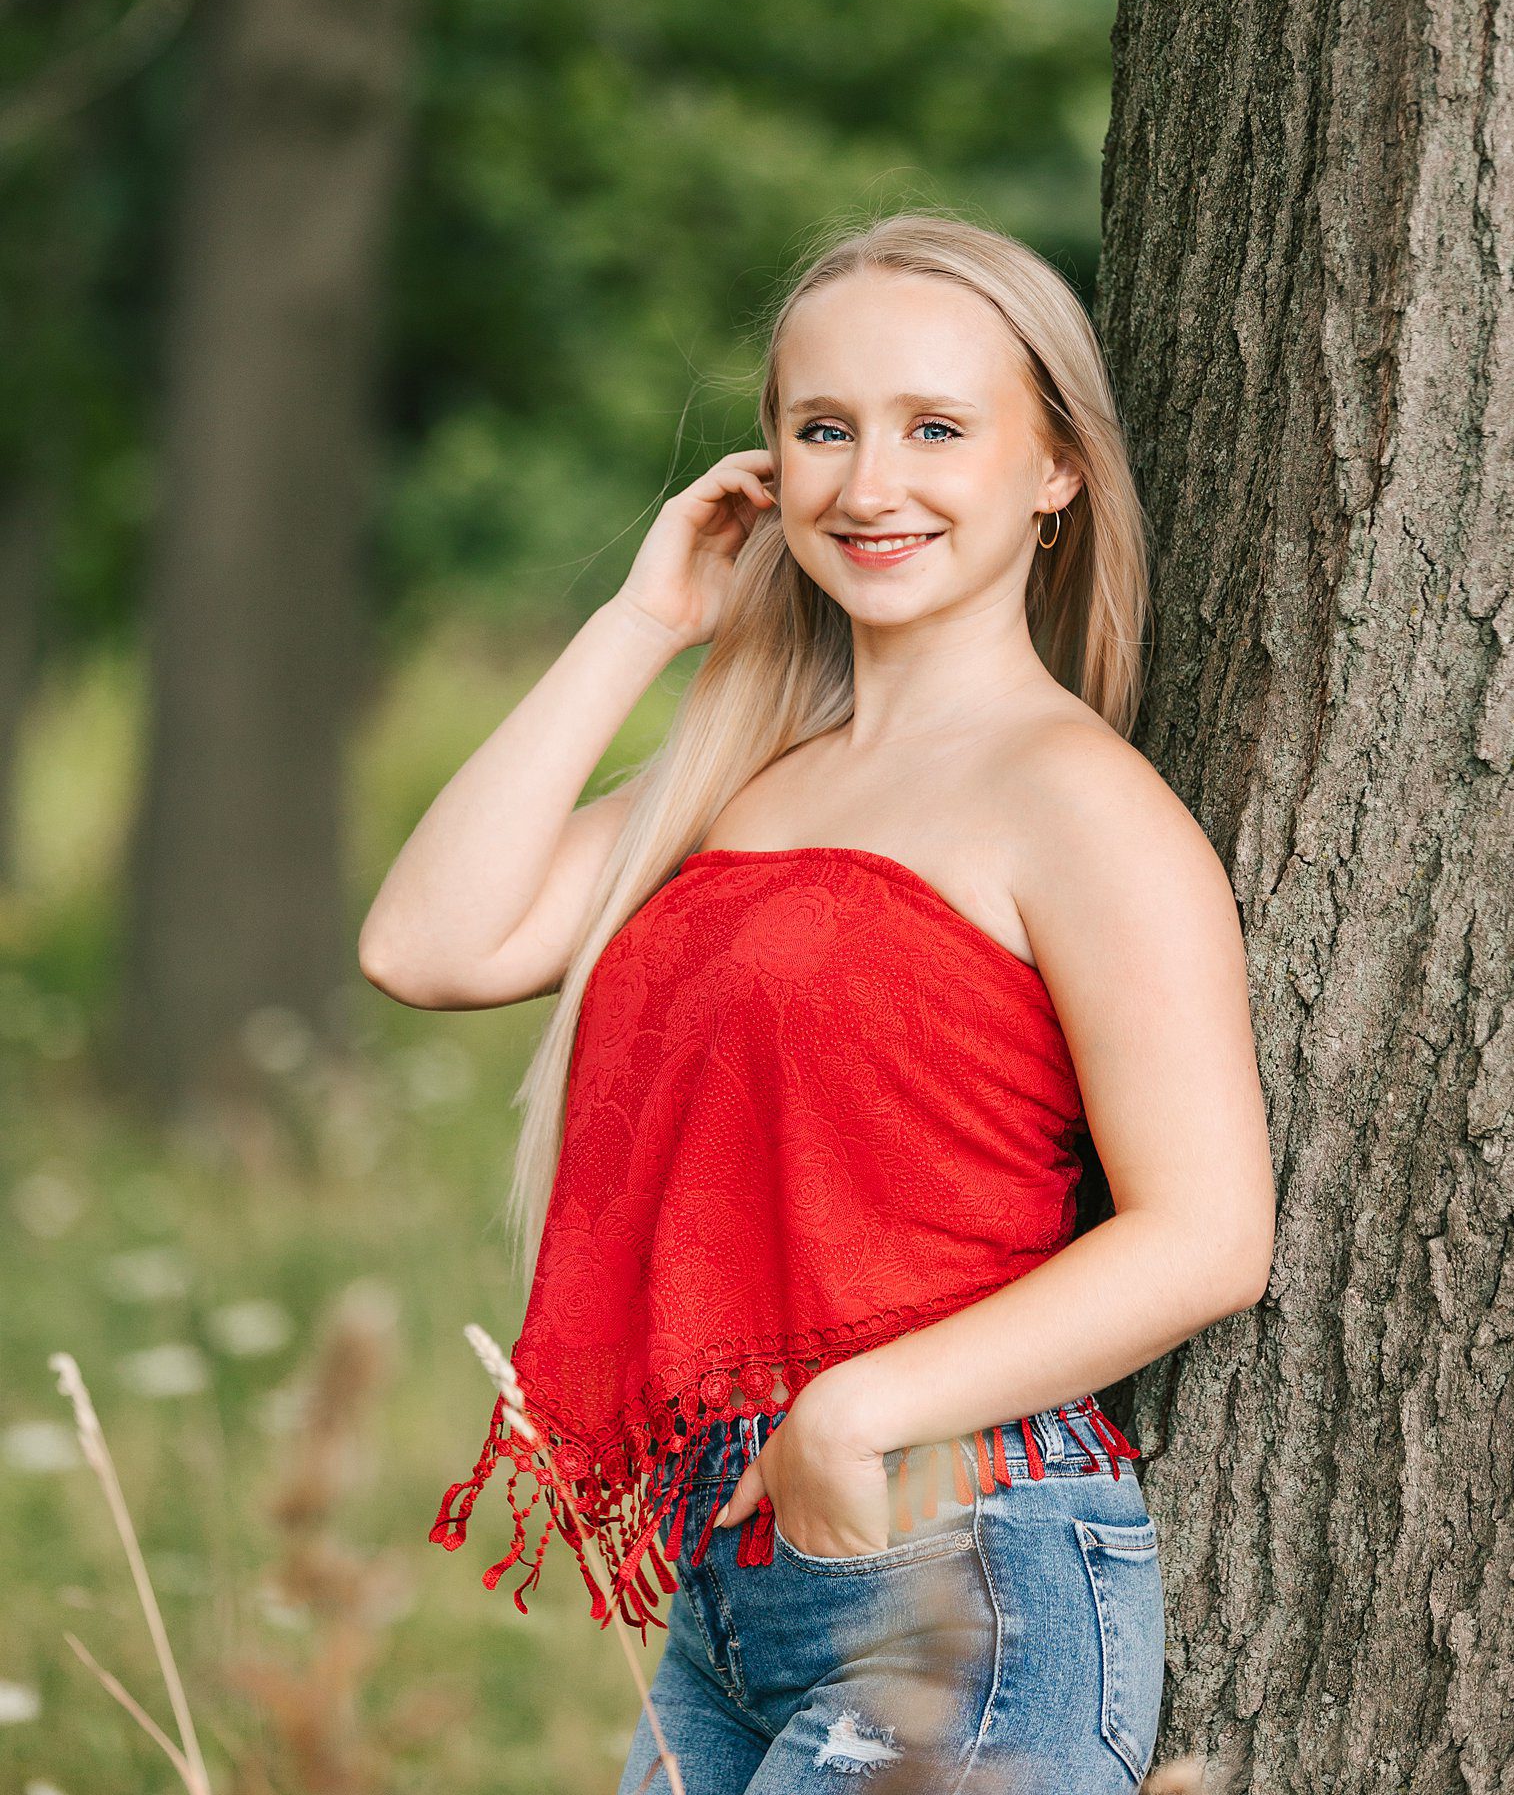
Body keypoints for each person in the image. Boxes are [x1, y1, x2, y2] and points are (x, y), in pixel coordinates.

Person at [359, 211, 1277, 1794]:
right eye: (822, 430)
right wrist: (644, 621)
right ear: (766, 468)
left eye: (935, 428)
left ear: (1053, 468)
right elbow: (430, 948)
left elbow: (1205, 1233)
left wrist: (857, 1414)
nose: (870, 485)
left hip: (954, 1561)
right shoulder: (748, 775)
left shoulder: (1075, 799)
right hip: (732, 1595)